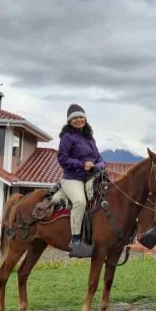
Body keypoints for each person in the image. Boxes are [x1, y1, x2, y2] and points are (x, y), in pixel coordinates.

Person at [57, 104, 105, 258]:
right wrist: (82, 165)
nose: (79, 120)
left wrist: (97, 166)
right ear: (69, 121)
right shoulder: (67, 137)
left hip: (91, 177)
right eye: (75, 118)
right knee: (80, 202)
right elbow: (62, 158)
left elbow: (100, 159)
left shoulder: (90, 138)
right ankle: (75, 241)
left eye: (81, 117)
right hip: (73, 178)